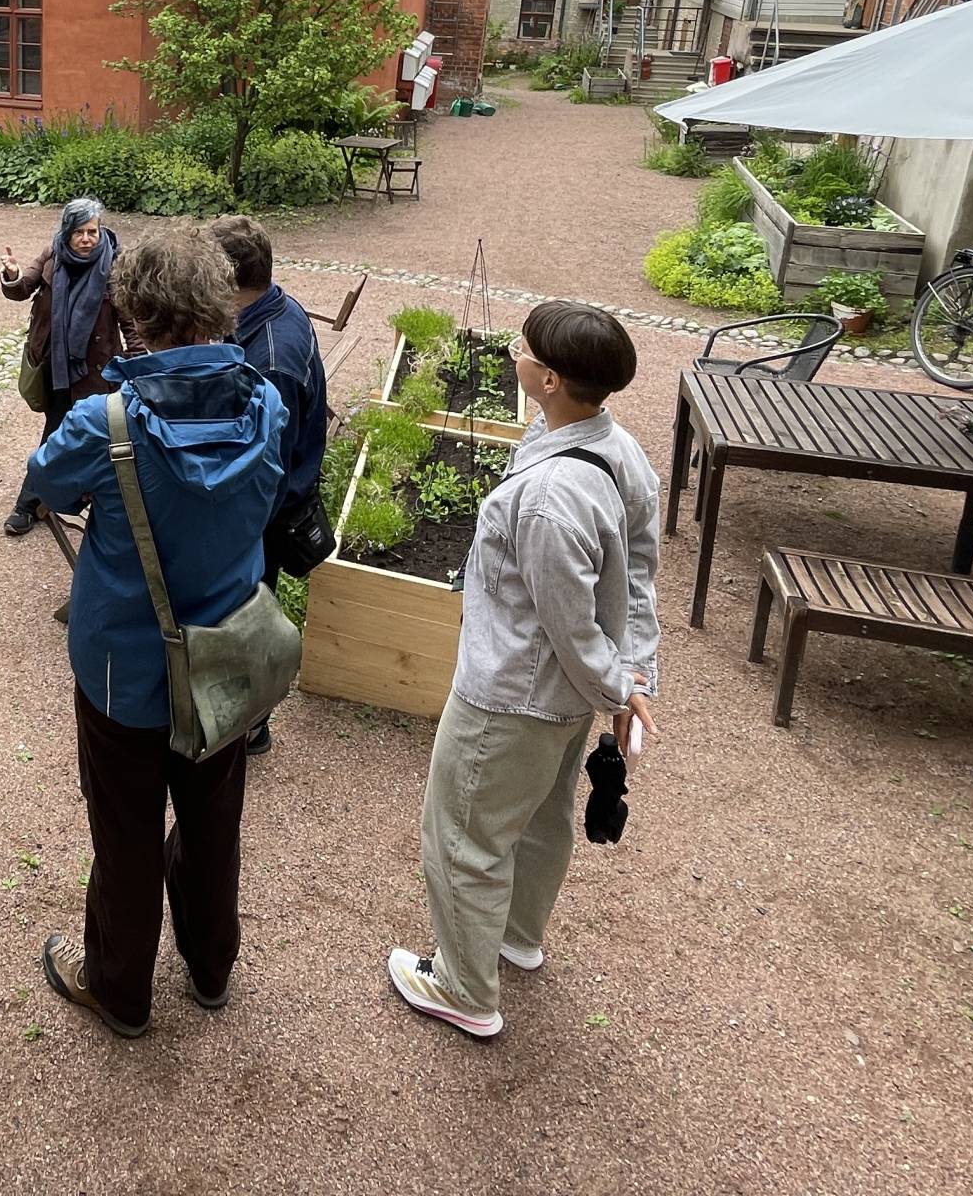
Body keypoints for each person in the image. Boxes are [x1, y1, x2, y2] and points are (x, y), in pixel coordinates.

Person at [26, 230, 285, 1038]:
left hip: (123, 664)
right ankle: (211, 968)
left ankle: (120, 989)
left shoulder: (107, 423)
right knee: (213, 820)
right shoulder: (267, 405)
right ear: (215, 305)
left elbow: (45, 486)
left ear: (134, 312)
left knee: (126, 828)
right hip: (228, 656)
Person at [387, 301, 660, 1041]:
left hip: (509, 695)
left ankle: (464, 987)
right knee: (540, 819)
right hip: (566, 700)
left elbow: (567, 623)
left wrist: (619, 685)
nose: (512, 354)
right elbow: (638, 573)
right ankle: (515, 934)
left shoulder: (545, 499)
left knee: (465, 833)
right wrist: (631, 678)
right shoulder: (618, 450)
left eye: (522, 348)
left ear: (545, 377)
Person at [209, 214, 329, 758]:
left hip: (266, 516)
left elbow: (267, 471)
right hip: (274, 504)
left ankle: (249, 724)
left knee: (249, 615)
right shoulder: (273, 309)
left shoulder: (271, 360)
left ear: (227, 279)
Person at [0, 198, 133, 536]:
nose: (87, 239)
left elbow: (131, 323)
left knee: (97, 437)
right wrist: (12, 275)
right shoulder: (52, 254)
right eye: (79, 232)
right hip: (56, 367)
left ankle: (53, 502)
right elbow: (23, 288)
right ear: (67, 232)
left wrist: (140, 364)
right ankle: (35, 503)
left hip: (97, 372)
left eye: (93, 231)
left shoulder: (115, 266)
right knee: (55, 433)